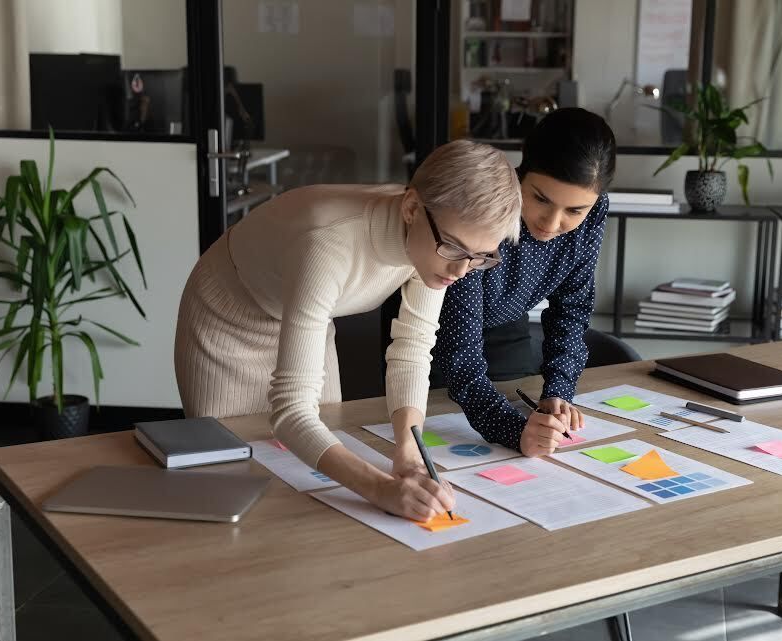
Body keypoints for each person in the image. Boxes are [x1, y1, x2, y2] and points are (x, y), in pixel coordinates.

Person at [174, 140, 522, 521]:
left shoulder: (437, 244)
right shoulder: (327, 243)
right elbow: (291, 411)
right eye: (456, 249)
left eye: (480, 257)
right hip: (229, 316)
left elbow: (412, 349)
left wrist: (407, 448)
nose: (461, 271)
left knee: (311, 481)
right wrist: (379, 489)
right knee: (240, 477)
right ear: (410, 208)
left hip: (309, 313)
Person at [432, 107, 617, 457]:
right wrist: (515, 431)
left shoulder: (595, 211)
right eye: (540, 199)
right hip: (435, 333)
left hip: (507, 326)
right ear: (520, 174)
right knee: (444, 441)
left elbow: (572, 308)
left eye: (574, 211)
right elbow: (459, 355)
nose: (552, 222)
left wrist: (558, 393)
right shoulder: (481, 204)